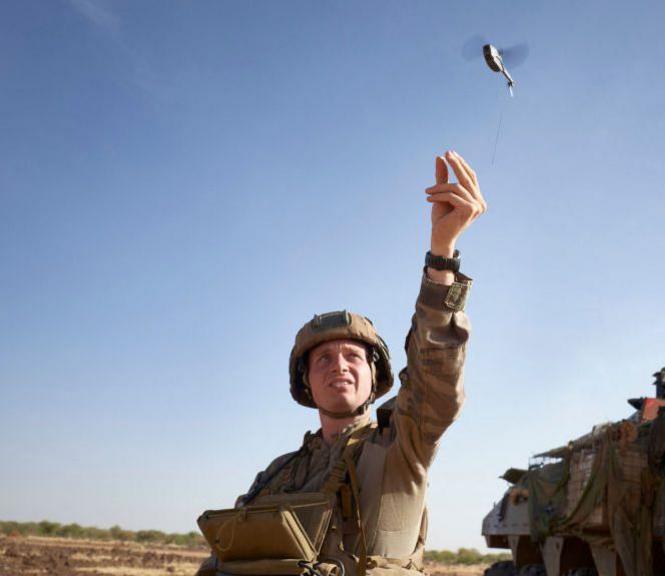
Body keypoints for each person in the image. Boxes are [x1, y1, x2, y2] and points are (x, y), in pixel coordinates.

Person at [196, 150, 486, 576]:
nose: (340, 366)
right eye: (324, 359)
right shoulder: (278, 476)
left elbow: (435, 374)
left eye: (354, 356)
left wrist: (442, 255)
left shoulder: (403, 444)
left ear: (375, 379)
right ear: (306, 383)